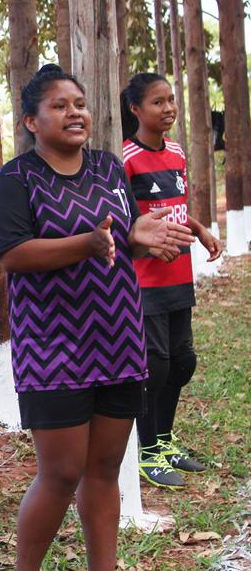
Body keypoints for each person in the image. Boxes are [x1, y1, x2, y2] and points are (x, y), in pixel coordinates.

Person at [0, 64, 195, 571]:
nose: (74, 113)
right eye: (59, 106)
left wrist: (136, 233)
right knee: (59, 474)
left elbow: (120, 228)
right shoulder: (15, 180)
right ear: (32, 121)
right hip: (52, 349)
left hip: (119, 339)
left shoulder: (106, 167)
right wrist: (88, 243)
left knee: (103, 470)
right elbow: (13, 254)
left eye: (78, 104)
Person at [120, 72, 222, 489]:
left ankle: (164, 440)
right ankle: (146, 452)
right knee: (154, 366)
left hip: (179, 274)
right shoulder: (126, 158)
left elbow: (174, 206)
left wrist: (199, 229)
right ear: (135, 110)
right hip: (145, 281)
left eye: (171, 100)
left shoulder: (176, 152)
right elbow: (128, 220)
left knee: (182, 362)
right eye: (158, 102)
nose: (168, 108)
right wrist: (145, 244)